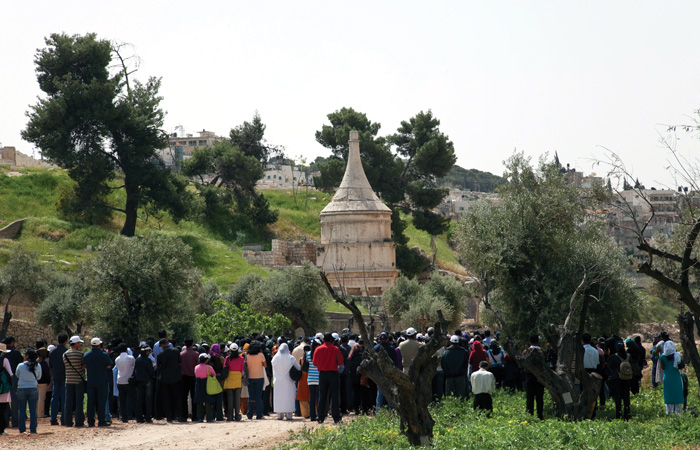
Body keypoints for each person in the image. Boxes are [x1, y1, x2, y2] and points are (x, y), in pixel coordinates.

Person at [313, 333, 344, 424]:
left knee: (322, 395)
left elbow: (314, 363)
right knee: (334, 396)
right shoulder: (335, 349)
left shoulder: (318, 349)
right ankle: (336, 417)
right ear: (332, 340)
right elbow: (341, 363)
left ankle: (320, 416)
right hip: (333, 374)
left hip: (322, 374)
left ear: (323, 340)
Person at [83, 337, 112, 427]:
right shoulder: (104, 355)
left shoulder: (86, 355)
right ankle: (101, 420)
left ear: (91, 345)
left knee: (91, 401)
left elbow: (84, 366)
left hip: (91, 381)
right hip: (102, 381)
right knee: (101, 401)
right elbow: (109, 366)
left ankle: (90, 421)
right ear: (99, 345)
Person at [155, 338, 182, 422]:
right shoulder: (176, 351)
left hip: (164, 379)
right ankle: (176, 415)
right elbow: (180, 362)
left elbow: (159, 366)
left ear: (162, 345)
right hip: (175, 378)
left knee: (166, 398)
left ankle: (169, 416)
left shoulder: (160, 354)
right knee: (176, 397)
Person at [272, 343, 300, 420]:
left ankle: (279, 414)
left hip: (277, 381)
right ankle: (289, 414)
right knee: (289, 397)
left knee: (279, 397)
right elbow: (298, 368)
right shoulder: (291, 358)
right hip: (289, 381)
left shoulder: (275, 358)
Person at [16, 348, 41, 434]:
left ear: (27, 356)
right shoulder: (38, 366)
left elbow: (17, 375)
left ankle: (22, 429)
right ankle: (33, 429)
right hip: (33, 388)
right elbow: (39, 377)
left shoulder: (20, 365)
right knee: (33, 410)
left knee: (21, 410)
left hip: (22, 388)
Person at [63, 335, 86, 427]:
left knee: (68, 401)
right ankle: (79, 421)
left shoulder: (65, 354)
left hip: (68, 380)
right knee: (79, 401)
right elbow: (83, 366)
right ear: (76, 343)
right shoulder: (80, 354)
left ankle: (68, 421)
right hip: (78, 380)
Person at [607, 341, 631, 420]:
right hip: (627, 379)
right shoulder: (628, 356)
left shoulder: (613, 357)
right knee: (626, 397)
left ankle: (618, 414)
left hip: (617, 380)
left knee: (618, 398)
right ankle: (627, 414)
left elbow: (610, 369)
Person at [659, 341, 684, 415]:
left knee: (668, 395)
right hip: (676, 377)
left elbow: (663, 367)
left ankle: (669, 413)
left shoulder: (662, 357)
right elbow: (681, 366)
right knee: (677, 394)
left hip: (667, 377)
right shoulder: (677, 355)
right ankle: (678, 413)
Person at [49, 333, 68, 426]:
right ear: (66, 341)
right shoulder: (66, 351)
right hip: (65, 377)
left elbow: (51, 366)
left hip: (56, 377)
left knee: (55, 398)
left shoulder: (53, 352)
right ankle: (64, 419)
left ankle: (53, 418)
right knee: (64, 398)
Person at [524, 335, 545, 420]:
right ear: (538, 341)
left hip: (529, 376)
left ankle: (530, 414)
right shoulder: (542, 351)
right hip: (540, 377)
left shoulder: (526, 351)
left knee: (530, 396)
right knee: (539, 397)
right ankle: (540, 415)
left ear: (530, 342)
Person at [245, 342, 267, 420]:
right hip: (259, 377)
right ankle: (259, 414)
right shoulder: (261, 355)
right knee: (258, 396)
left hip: (250, 378)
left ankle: (250, 414)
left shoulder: (247, 356)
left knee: (251, 396)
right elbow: (265, 365)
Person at [133, 345, 154, 423]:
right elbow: (151, 371)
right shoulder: (148, 360)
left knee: (139, 400)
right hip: (147, 381)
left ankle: (139, 418)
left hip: (139, 381)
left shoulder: (137, 360)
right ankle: (148, 417)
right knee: (148, 400)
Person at [223, 343, 244, 421]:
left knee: (230, 398)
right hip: (238, 378)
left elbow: (224, 367)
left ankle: (230, 416)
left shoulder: (227, 358)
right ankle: (237, 416)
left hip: (229, 378)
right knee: (237, 399)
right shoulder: (241, 358)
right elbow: (242, 369)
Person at [193, 354, 216, 422]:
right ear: (206, 360)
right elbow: (214, 374)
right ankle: (209, 418)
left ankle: (200, 418)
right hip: (207, 384)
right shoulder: (209, 367)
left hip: (198, 384)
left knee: (199, 401)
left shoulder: (196, 367)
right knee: (208, 401)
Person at [180, 338, 198, 421]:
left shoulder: (181, 354)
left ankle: (184, 415)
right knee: (194, 396)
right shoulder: (196, 354)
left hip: (184, 377)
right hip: (193, 377)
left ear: (184, 344)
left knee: (184, 397)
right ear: (192, 344)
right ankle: (194, 416)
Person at [0, 342, 14, 435]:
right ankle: (1, 428)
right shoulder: (4, 360)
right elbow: (11, 373)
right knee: (3, 408)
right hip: (2, 388)